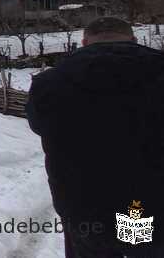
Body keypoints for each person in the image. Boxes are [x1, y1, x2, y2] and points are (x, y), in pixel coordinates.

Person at [27, 17, 164, 257]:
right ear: (133, 39)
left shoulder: (50, 82)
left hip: (84, 207)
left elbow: (39, 125)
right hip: (148, 203)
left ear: (84, 42)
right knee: (142, 247)